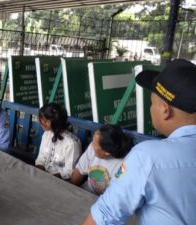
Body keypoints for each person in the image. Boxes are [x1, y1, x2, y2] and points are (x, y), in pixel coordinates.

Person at [82, 59, 196, 225]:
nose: (151, 109)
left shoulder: (148, 157)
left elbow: (105, 216)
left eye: (152, 103)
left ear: (165, 110)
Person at [71, 124, 133, 195]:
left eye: (95, 145)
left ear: (107, 152)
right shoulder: (92, 147)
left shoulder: (123, 165)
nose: (91, 145)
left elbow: (114, 194)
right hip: (85, 192)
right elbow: (79, 171)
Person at [35, 103, 81, 179]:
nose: (40, 122)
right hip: (44, 177)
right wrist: (39, 170)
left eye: (43, 120)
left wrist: (49, 178)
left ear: (49, 123)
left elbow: (69, 171)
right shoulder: (46, 135)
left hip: (59, 182)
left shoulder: (71, 144)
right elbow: (41, 157)